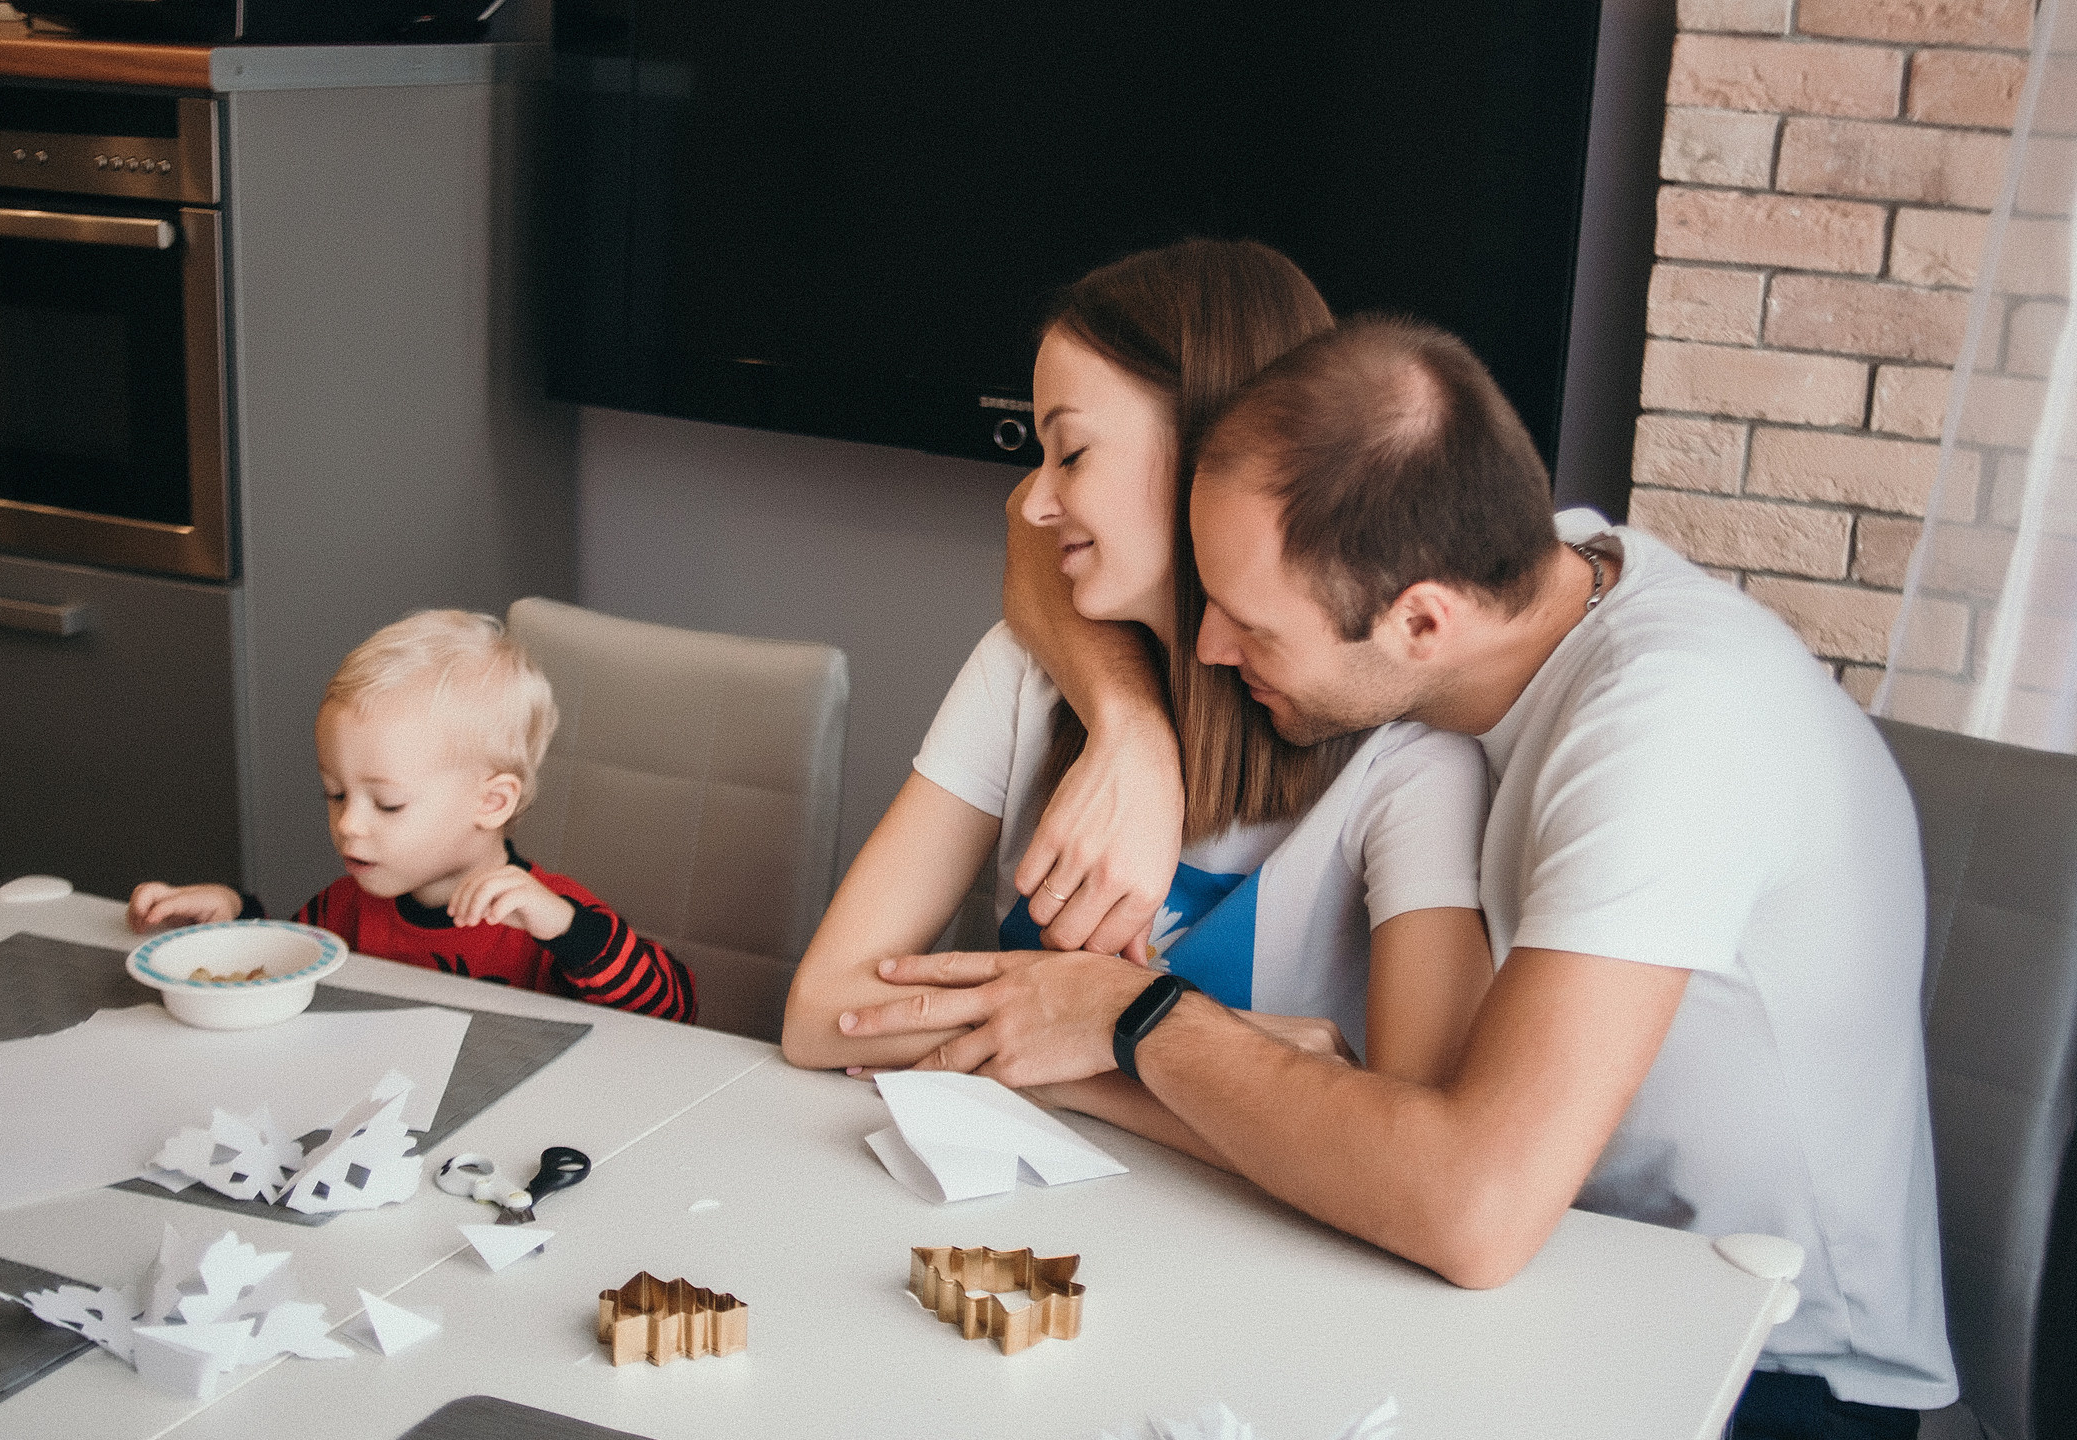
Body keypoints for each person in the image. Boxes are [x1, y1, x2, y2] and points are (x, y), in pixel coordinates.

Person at [840, 314, 1958, 1440]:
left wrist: (1129, 1017)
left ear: (1421, 620)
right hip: (1531, 1307)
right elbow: (1051, 529)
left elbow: (1473, 1209)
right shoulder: (1490, 547)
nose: (1207, 650)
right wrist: (1126, 722)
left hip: (1761, 1388)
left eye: (1248, 625)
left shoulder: (1669, 727)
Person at [782, 241, 1494, 1147]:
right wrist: (1219, 1064)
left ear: (1214, 449)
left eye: (1072, 451)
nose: (1038, 502)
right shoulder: (1022, 674)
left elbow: (1404, 1143)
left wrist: (1093, 1030)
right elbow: (824, 1009)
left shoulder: (1409, 765)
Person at [128, 608, 696, 1021]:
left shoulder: (544, 917)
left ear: (491, 802)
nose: (349, 824)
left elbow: (674, 1008)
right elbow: (282, 969)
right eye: (335, 794)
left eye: (388, 802)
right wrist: (232, 920)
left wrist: (567, 930)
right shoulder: (345, 908)